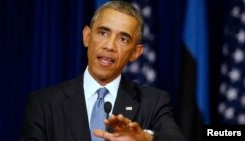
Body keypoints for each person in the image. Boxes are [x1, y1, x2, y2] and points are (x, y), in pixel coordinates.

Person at [20, 1, 186, 141]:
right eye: (103, 33)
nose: (109, 46)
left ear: (135, 52)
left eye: (123, 39)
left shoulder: (153, 102)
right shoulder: (44, 103)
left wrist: (146, 138)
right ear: (87, 36)